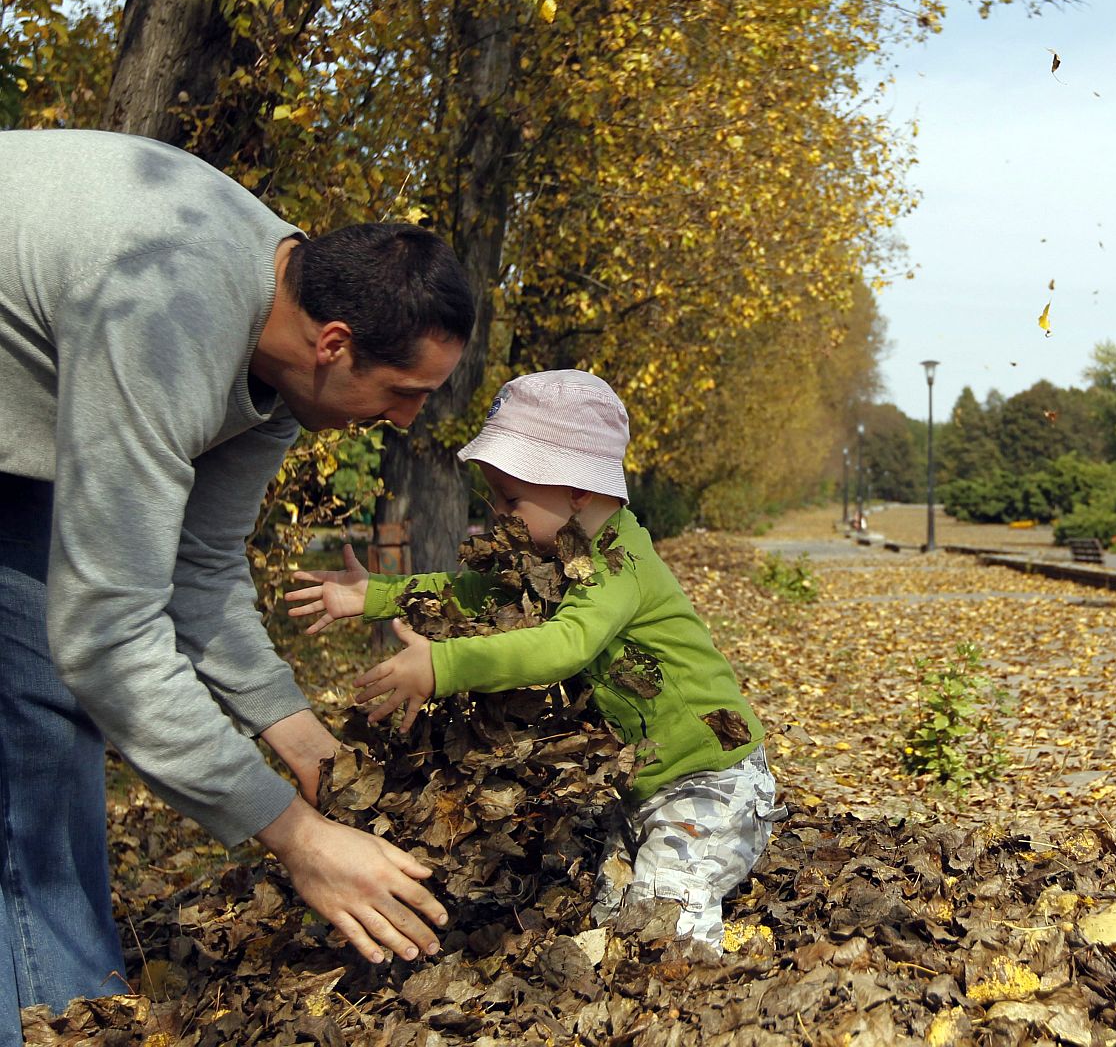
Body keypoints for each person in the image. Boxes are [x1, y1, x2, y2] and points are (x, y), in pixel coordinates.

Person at [0, 129, 474, 1039]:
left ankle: (64, 1019)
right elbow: (110, 636)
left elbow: (199, 563)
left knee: (48, 719)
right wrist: (296, 839)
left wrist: (286, 720)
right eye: (406, 392)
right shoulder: (167, 314)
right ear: (335, 345)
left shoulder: (284, 343)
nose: (410, 421)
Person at [287, 370, 785, 945]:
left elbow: (563, 646)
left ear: (578, 491)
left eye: (511, 498)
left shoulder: (619, 564)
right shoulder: (557, 555)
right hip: (650, 788)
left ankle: (696, 1004)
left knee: (666, 908)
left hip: (715, 779)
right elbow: (472, 594)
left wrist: (443, 665)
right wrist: (372, 595)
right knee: (615, 913)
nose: (497, 514)